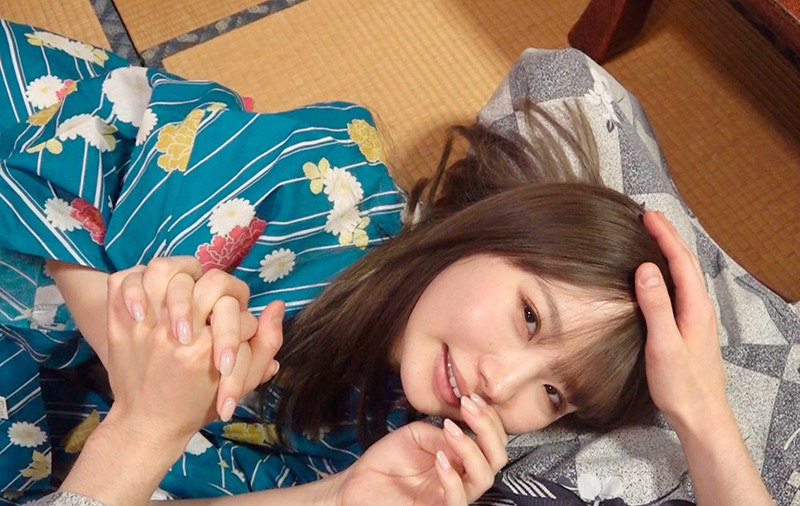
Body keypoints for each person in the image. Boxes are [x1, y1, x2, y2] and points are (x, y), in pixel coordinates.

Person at [38, 210, 774, 505]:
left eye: (554, 395)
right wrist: (129, 334)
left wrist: (338, 498)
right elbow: (60, 154)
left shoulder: (398, 454)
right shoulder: (322, 186)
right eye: (528, 316)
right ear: (495, 234)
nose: (500, 382)